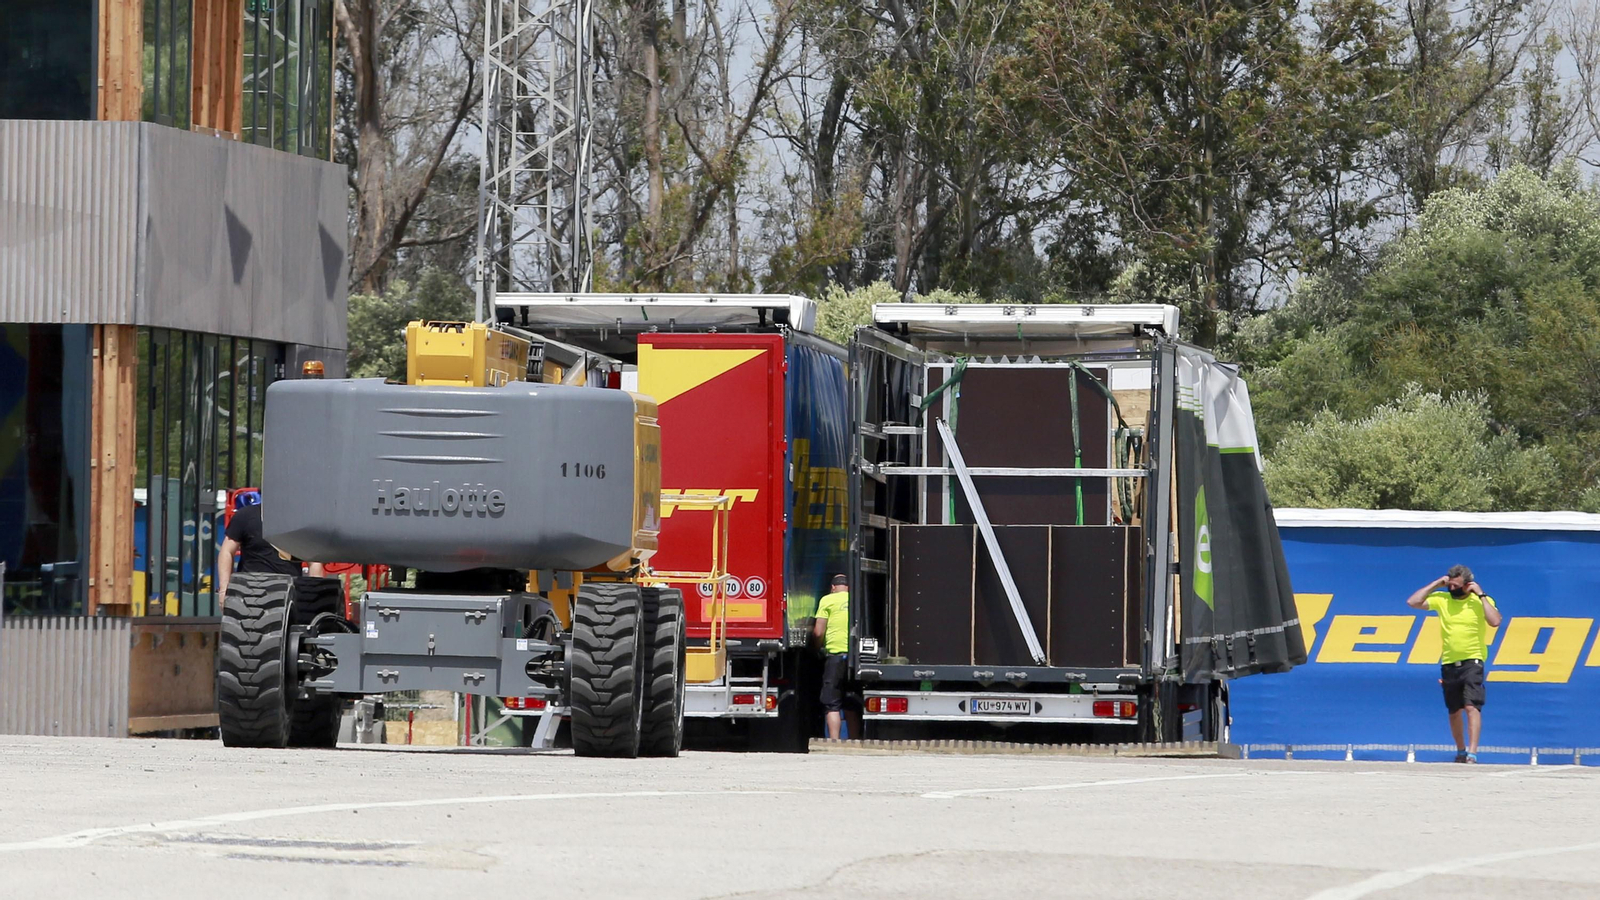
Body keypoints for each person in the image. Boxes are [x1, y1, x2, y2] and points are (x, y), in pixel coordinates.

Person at [1406, 564, 1502, 763]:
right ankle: (1461, 750)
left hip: (1473, 659)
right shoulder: (1443, 599)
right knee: (1454, 710)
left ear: (1468, 585)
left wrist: (1481, 594)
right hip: (1449, 661)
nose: (1452, 589)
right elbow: (1413, 602)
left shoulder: (1479, 601)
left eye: (1457, 586)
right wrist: (1436, 584)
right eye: (1450, 585)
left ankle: (1472, 753)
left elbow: (1495, 621)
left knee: (1471, 706)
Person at [216, 492, 323, 599]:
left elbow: (314, 562)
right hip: (250, 591)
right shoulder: (246, 515)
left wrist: (315, 595)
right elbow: (227, 551)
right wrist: (224, 589)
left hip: (289, 592)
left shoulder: (300, 520)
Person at [813, 574, 860, 740]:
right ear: (848, 587)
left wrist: (816, 648)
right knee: (851, 702)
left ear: (833, 587)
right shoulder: (856, 600)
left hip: (835, 656)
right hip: (855, 659)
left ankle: (834, 742)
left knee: (832, 703)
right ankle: (854, 741)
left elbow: (818, 632)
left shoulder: (827, 600)